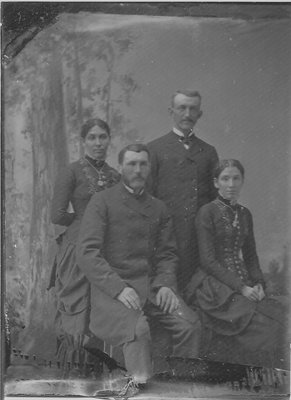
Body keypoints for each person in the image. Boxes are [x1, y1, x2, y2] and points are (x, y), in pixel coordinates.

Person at [76, 144, 201, 396]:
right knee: (139, 329)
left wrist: (166, 283)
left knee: (190, 324)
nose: (138, 169)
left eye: (143, 164)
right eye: (132, 164)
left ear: (149, 167)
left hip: (152, 286)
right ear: (121, 167)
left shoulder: (158, 208)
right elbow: (88, 253)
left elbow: (167, 253)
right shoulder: (102, 202)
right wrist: (118, 288)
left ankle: (181, 388)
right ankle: (141, 390)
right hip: (113, 290)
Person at [186, 159, 287, 368]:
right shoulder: (207, 212)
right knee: (265, 327)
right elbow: (208, 261)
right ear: (216, 183)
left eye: (236, 178)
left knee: (279, 318)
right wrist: (242, 288)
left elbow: (250, 256)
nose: (231, 184)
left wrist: (258, 283)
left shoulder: (244, 213)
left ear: (242, 182)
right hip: (214, 287)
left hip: (244, 283)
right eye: (225, 179)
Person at [49, 118, 120, 374]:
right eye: (92, 137)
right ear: (83, 141)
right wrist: (81, 221)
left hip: (103, 252)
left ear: (109, 140)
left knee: (97, 316)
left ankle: (94, 378)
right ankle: (69, 379)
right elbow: (57, 215)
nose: (98, 143)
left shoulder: (115, 176)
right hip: (76, 249)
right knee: (76, 315)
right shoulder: (71, 171)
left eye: (103, 137)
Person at [147, 90, 218, 293]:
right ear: (171, 111)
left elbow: (215, 199)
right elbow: (148, 199)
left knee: (197, 290)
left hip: (199, 237)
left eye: (192, 109)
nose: (187, 114)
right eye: (181, 108)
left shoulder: (209, 151)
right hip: (167, 236)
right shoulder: (154, 149)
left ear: (200, 114)